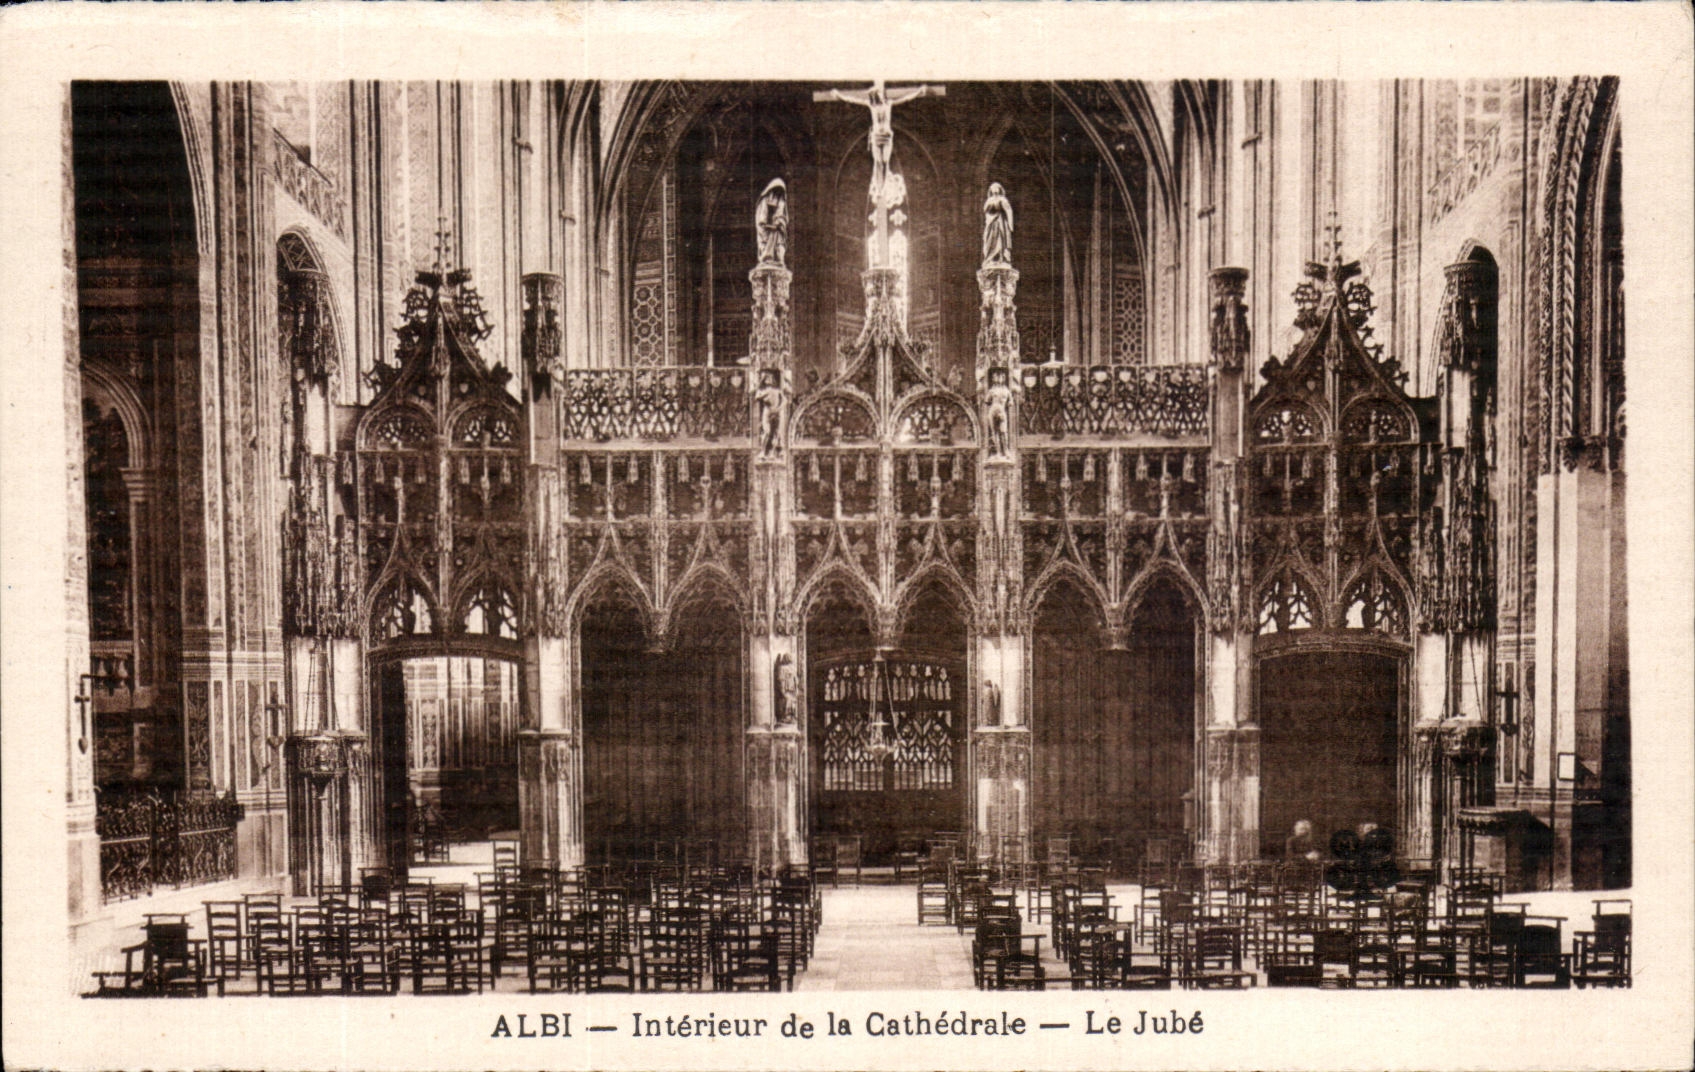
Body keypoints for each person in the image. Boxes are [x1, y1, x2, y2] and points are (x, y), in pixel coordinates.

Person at [754, 178, 787, 268]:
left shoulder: (780, 202)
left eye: (779, 193)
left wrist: (779, 224)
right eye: (775, 192)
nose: (777, 196)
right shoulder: (764, 202)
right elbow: (761, 222)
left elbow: (782, 217)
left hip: (776, 231)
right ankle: (767, 257)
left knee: (779, 238)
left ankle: (779, 259)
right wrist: (770, 226)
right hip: (766, 233)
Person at [982, 181, 1014, 267]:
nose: (994, 190)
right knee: (988, 239)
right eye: (993, 188)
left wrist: (1010, 225)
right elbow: (985, 210)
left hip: (999, 223)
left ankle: (1000, 258)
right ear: (990, 190)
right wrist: (990, 204)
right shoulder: (989, 200)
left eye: (996, 188)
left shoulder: (1002, 199)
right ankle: (989, 259)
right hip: (990, 223)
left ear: (999, 190)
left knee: (1000, 240)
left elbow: (1008, 211)